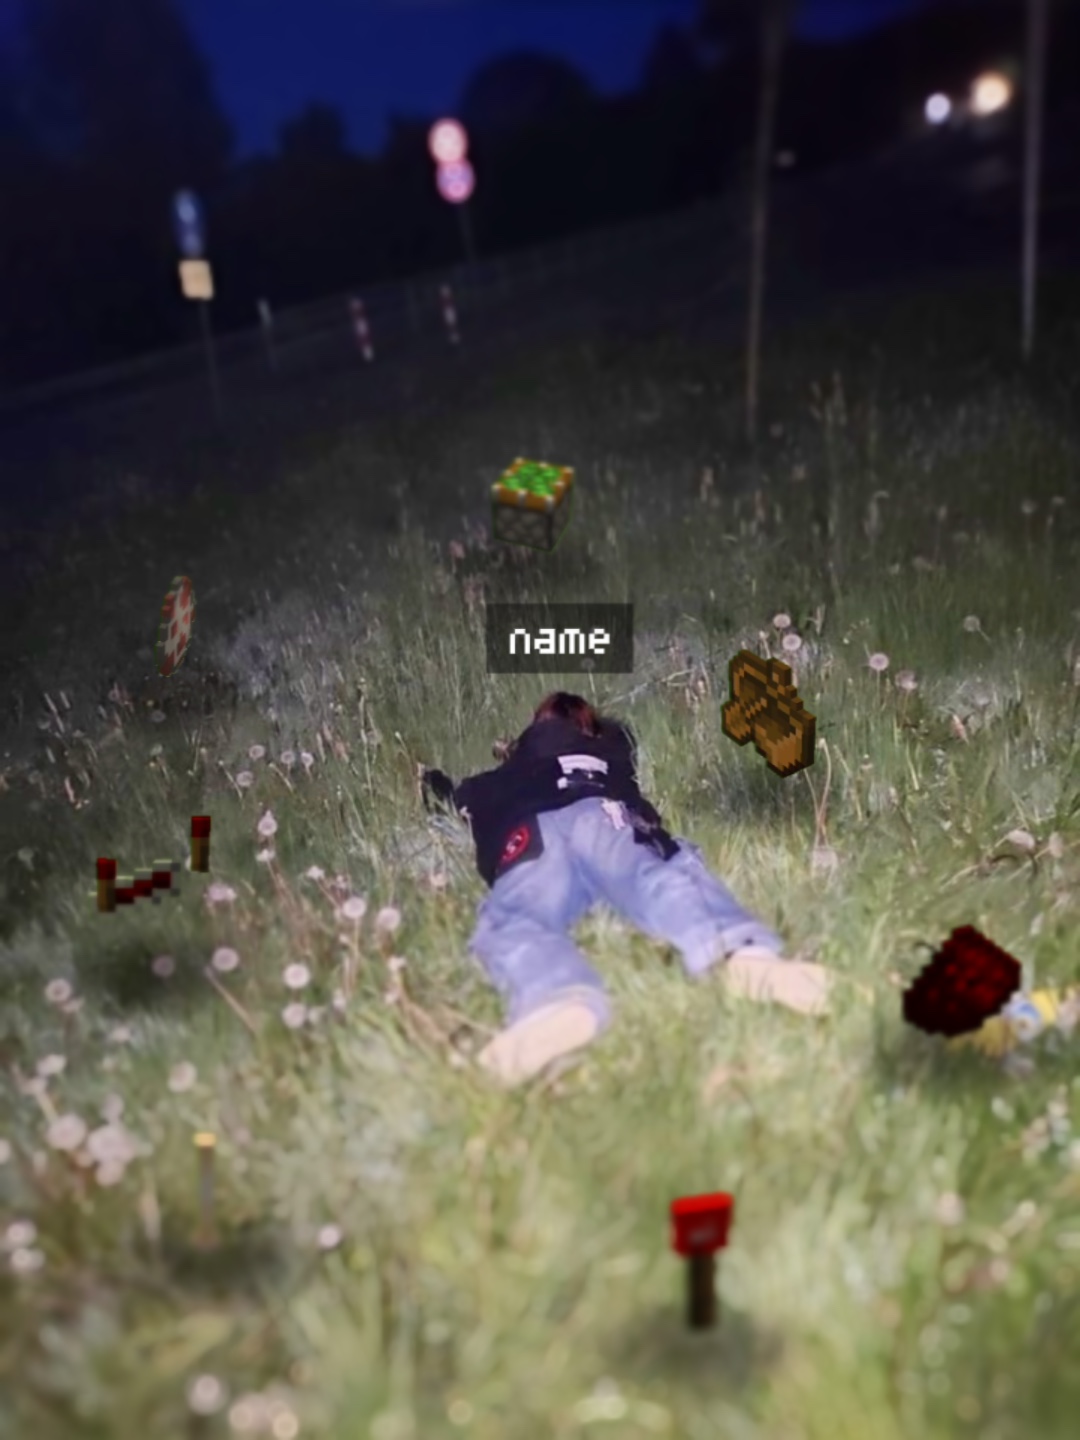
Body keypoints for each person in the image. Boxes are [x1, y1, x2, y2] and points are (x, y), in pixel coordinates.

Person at [421, 691, 832, 1086]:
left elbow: (452, 801)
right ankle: (739, 954)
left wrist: (432, 781)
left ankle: (551, 999)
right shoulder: (609, 752)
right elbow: (621, 739)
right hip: (598, 814)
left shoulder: (500, 778)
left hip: (528, 833)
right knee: (654, 878)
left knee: (517, 916)